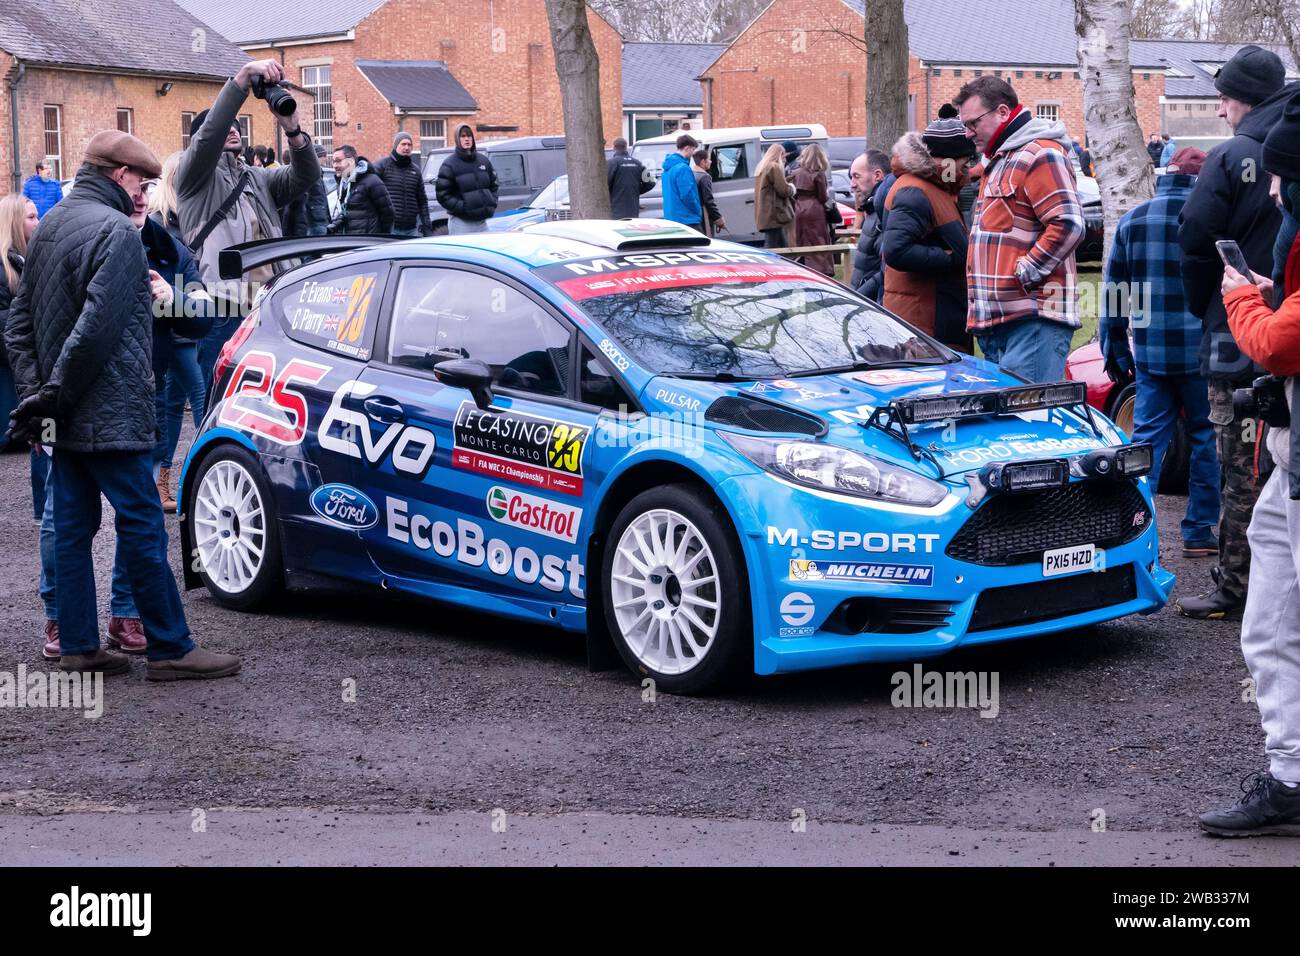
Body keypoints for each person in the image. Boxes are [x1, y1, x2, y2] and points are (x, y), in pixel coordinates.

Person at [5, 130, 239, 679]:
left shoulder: (52, 226)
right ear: (119, 176)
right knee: (141, 524)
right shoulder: (116, 234)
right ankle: (170, 648)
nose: (145, 191)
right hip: (109, 416)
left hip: (63, 418)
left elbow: (17, 328)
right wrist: (55, 396)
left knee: (70, 528)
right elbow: (96, 332)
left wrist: (40, 400)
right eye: (142, 180)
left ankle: (80, 646)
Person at [1200, 92, 1300, 836]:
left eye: (1280, 178)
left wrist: (1242, 300)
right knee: (1267, 622)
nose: (1270, 191)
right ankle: (1291, 775)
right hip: (1290, 458)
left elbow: (1279, 344)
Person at [1177, 44, 1297, 620]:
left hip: (1243, 329)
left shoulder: (1233, 157)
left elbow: (1196, 235)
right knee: (1275, 464)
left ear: (1244, 101)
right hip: (1285, 324)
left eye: (1223, 99)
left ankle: (1239, 590)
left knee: (1242, 464)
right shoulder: (1285, 148)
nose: (1220, 111)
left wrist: (1209, 305)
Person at [1100, 147, 1221, 558]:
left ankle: (1134, 527)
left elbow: (1116, 292)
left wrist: (1114, 345)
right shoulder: (1212, 220)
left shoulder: (1133, 220)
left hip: (1152, 352)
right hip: (1202, 353)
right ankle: (1200, 531)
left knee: (1148, 439)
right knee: (1206, 437)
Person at [176, 58, 319, 345]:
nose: (231, 129)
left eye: (235, 125)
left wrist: (293, 130)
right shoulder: (194, 180)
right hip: (224, 306)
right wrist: (242, 80)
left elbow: (307, 175)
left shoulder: (257, 178)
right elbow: (207, 138)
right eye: (223, 126)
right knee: (219, 387)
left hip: (271, 303)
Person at [956, 76, 1085, 382]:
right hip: (1000, 324)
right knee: (1010, 426)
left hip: (1032, 322)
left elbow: (1069, 223)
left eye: (973, 123)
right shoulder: (1001, 159)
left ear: (1003, 112)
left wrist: (1026, 270)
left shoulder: (1041, 153)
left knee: (1030, 424)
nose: (967, 133)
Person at [148, 151, 210, 512]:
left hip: (182, 324)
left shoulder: (183, 218)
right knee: (201, 399)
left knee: (173, 405)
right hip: (171, 329)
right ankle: (200, 476)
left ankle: (164, 481)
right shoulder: (159, 223)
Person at [882, 120, 974, 350]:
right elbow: (896, 251)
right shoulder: (914, 190)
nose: (969, 166)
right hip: (924, 327)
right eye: (966, 160)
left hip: (936, 320)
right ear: (949, 160)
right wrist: (954, 257)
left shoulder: (938, 188)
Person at [0, 194, 36, 442]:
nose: (38, 221)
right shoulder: (4, 270)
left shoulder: (23, 262)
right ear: (14, 223)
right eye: (31, 217)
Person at [435, 124, 499, 235]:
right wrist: (463, 207)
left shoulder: (483, 161)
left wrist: (491, 202)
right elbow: (442, 195)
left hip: (482, 223)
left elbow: (494, 185)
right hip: (461, 223)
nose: (466, 139)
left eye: (469, 136)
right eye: (463, 136)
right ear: (457, 139)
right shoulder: (449, 164)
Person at [849, 149, 893, 299]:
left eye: (856, 176)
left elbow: (887, 270)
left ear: (877, 175)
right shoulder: (873, 208)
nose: (852, 185)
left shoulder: (885, 212)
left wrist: (859, 297)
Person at [374, 132, 432, 238]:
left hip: (411, 229)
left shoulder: (416, 170)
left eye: (409, 145)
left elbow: (422, 201)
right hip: (390, 228)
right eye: (403, 144)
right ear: (396, 146)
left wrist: (427, 225)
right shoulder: (382, 166)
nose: (406, 147)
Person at [330, 145, 394, 236]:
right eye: (334, 162)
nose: (335, 165)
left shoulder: (372, 181)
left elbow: (388, 213)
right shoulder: (342, 184)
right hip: (349, 241)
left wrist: (379, 238)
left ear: (351, 161)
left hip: (368, 242)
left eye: (338, 161)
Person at [791, 143, 834, 275]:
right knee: (819, 239)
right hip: (815, 209)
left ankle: (802, 267)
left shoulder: (795, 173)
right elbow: (822, 196)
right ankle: (822, 269)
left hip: (799, 208)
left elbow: (792, 192)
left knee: (801, 238)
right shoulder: (819, 175)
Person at [755, 143, 795, 249]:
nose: (785, 160)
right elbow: (783, 190)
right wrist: (792, 188)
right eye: (784, 156)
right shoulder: (774, 167)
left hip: (766, 214)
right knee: (773, 248)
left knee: (781, 246)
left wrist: (785, 181)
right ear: (780, 154)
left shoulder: (762, 167)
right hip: (774, 215)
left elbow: (769, 188)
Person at [660, 133, 703, 231]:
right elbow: (687, 195)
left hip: (671, 218)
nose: (693, 154)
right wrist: (697, 210)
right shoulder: (683, 168)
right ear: (687, 148)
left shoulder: (667, 169)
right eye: (693, 149)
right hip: (687, 219)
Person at [607, 137, 652, 219]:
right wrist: (636, 190)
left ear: (614, 147)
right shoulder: (638, 163)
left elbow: (606, 185)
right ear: (626, 147)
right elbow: (650, 182)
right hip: (633, 209)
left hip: (616, 209)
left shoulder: (611, 163)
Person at [692, 148, 727, 237]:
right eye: (709, 159)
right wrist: (719, 219)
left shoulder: (692, 174)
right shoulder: (705, 177)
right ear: (703, 161)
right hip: (705, 216)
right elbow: (709, 201)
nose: (711, 162)